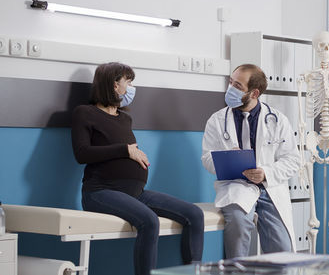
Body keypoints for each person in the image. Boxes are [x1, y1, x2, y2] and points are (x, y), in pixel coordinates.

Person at [71, 62, 204, 275]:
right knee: (149, 221)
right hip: (100, 191)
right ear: (115, 85)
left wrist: (130, 153)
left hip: (136, 193)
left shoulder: (125, 118)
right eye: (129, 82)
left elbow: (129, 151)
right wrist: (124, 150)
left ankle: (193, 272)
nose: (131, 88)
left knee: (194, 214)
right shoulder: (85, 113)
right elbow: (82, 154)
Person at [201, 64, 300, 258]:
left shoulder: (278, 120)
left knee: (282, 249)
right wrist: (229, 158)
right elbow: (207, 158)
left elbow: (292, 159)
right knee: (238, 226)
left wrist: (265, 172)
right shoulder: (217, 120)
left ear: (254, 93)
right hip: (237, 187)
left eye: (237, 85)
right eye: (230, 82)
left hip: (269, 189)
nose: (230, 89)